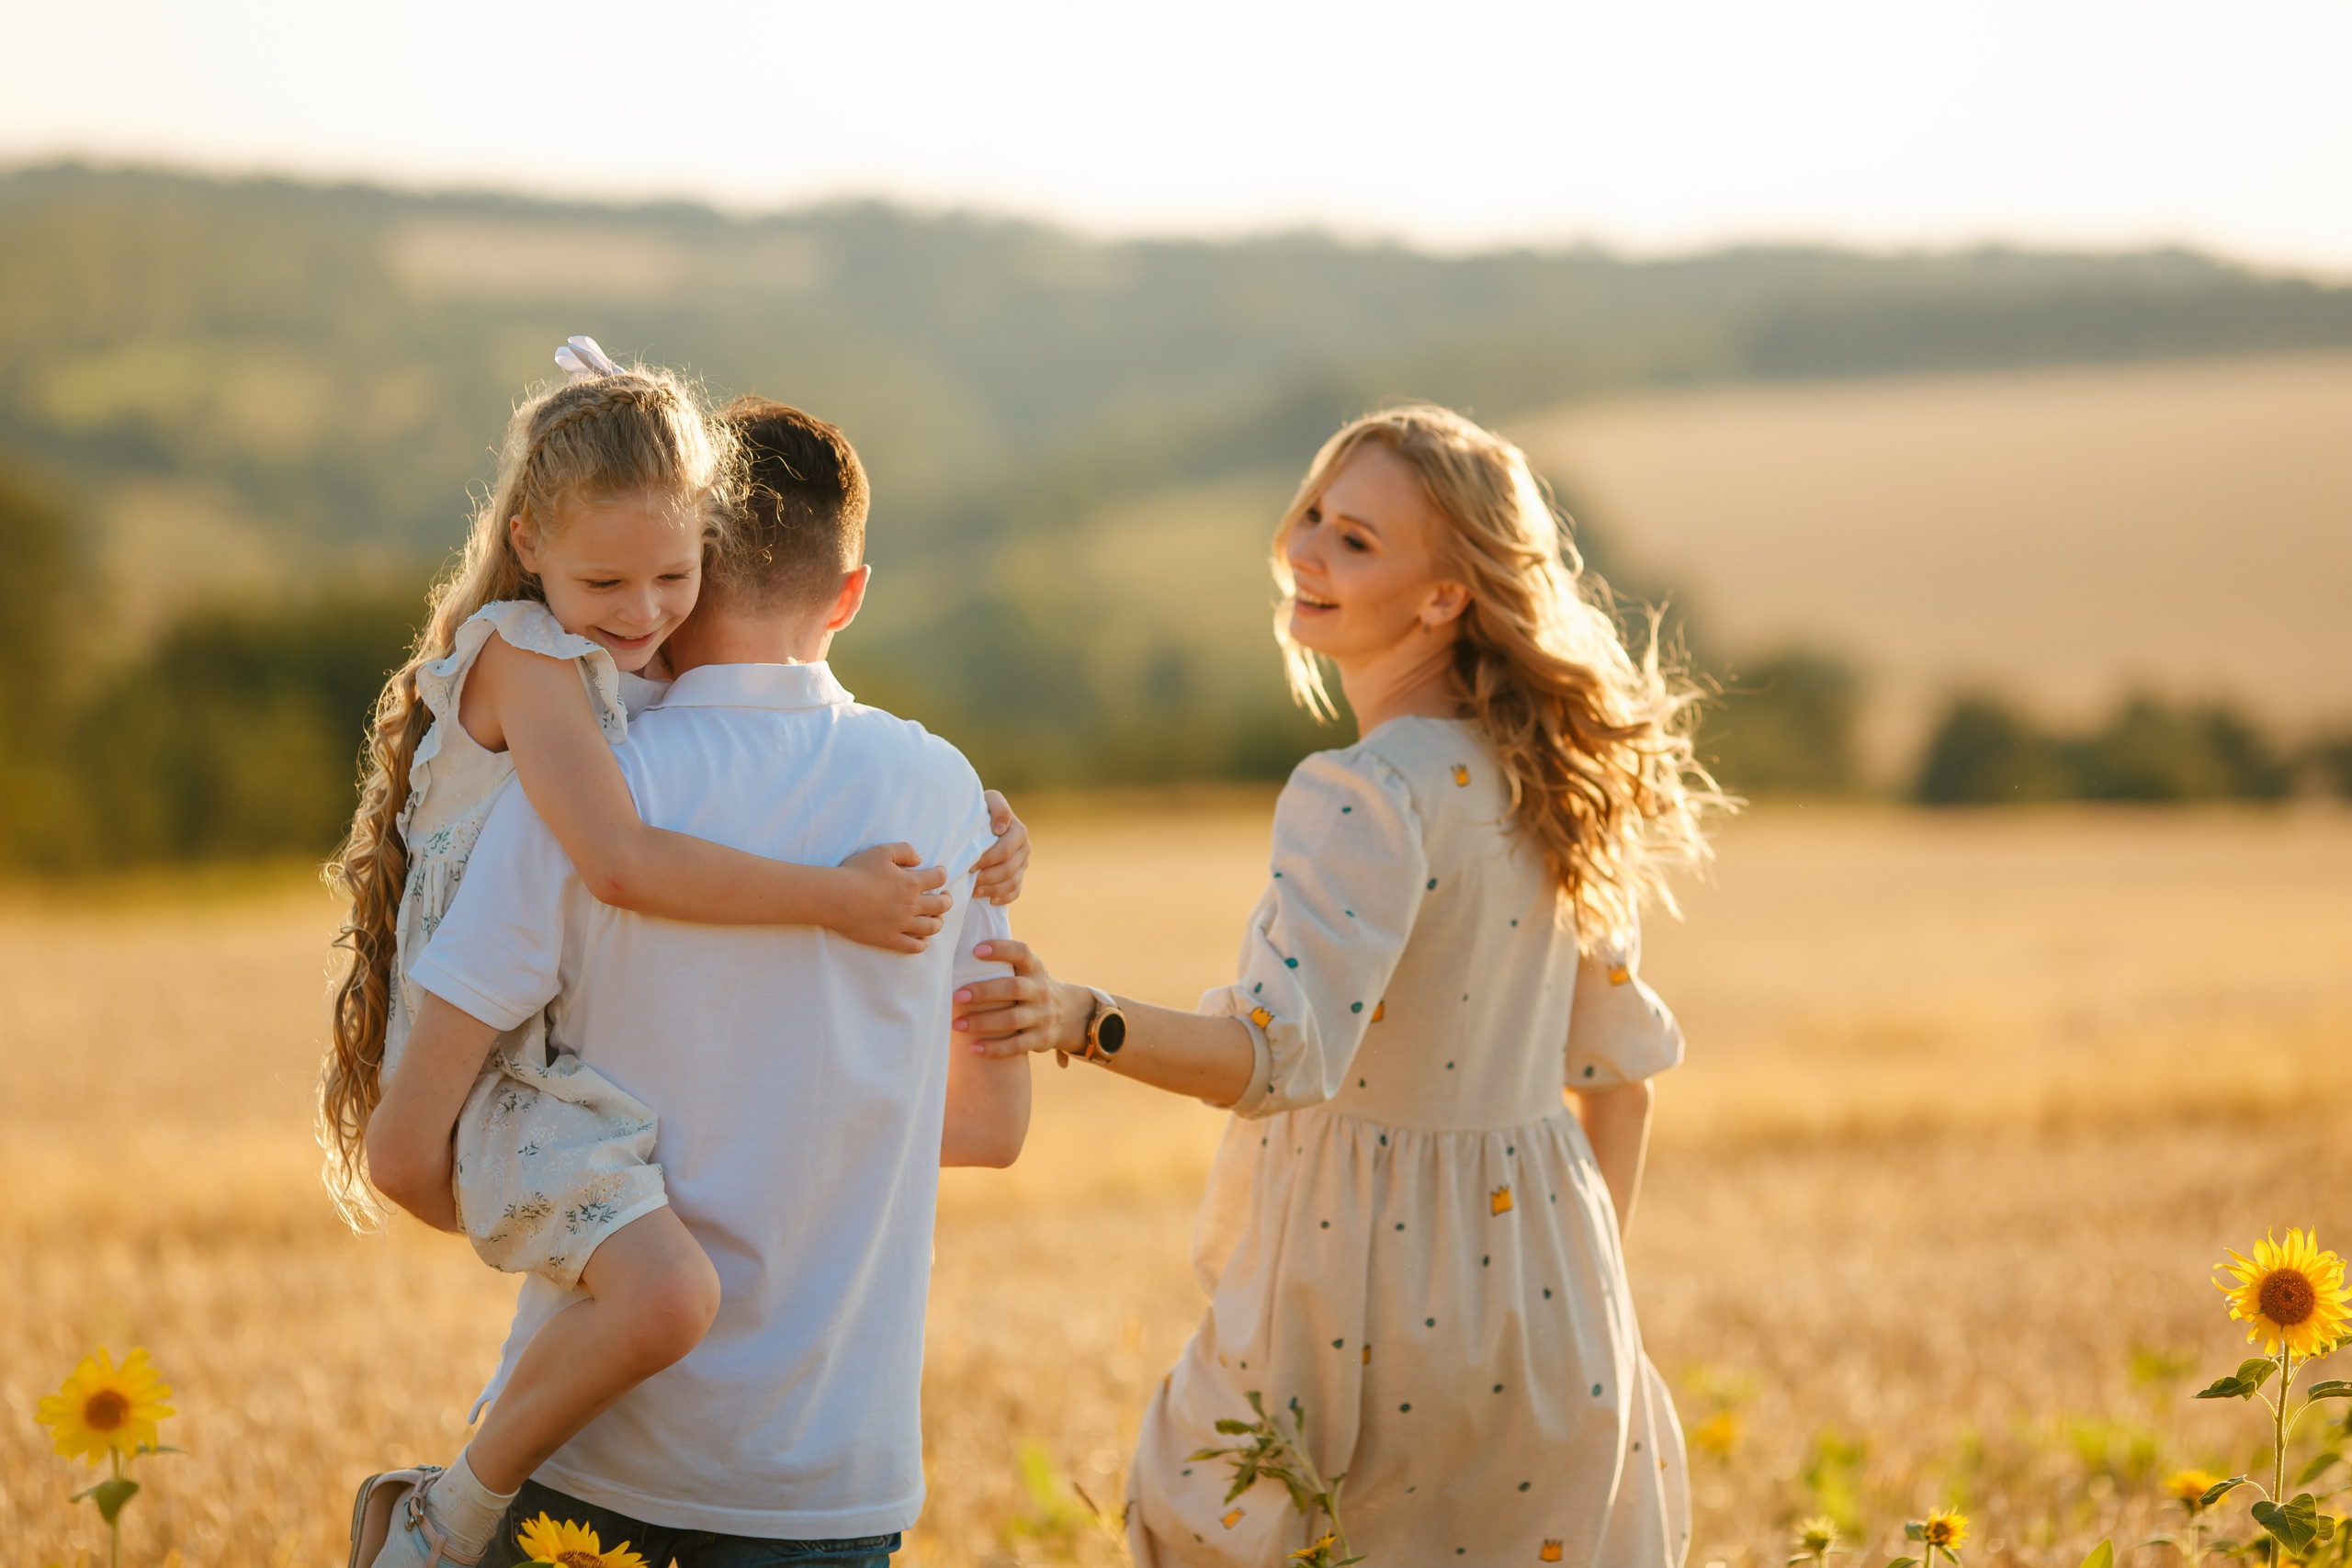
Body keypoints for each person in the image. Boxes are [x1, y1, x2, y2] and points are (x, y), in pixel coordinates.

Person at [954, 405, 1723, 1566]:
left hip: (1362, 1305)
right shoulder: (1550, 784)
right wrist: (1564, 1298)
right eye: (1313, 513)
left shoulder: (1363, 790)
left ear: (1444, 597)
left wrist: (1081, 1018)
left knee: (1204, 1525)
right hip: (1564, 1314)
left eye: (1356, 539)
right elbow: (1622, 1087)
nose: (1305, 549)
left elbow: (1274, 1056)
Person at [333, 352, 1029, 1568]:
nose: (640, 608)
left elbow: (408, 1149)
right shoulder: (941, 790)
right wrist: (917, 873)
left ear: (703, 562)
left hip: (609, 1461)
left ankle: (444, 1513)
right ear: (849, 591)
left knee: (654, 1296)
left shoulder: (604, 770)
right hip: (840, 1474)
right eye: (611, 579)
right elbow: (985, 1123)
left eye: (668, 576)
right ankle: (443, 1509)